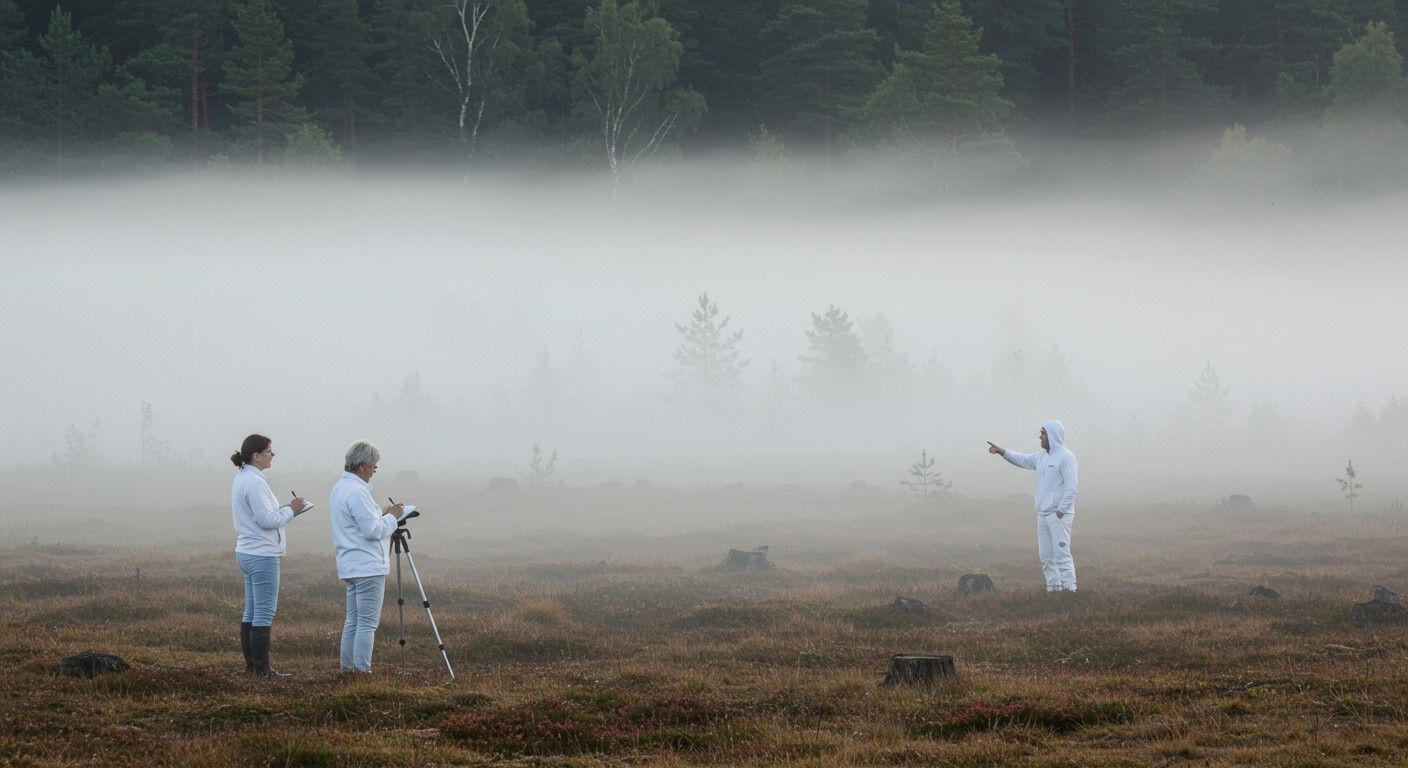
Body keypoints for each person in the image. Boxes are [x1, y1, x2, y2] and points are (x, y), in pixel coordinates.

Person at [231, 434, 308, 675]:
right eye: (269, 452)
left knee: (252, 611)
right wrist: (292, 510)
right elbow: (266, 520)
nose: (272, 455)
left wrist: (284, 510)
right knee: (264, 611)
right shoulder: (254, 482)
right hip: (262, 554)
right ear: (256, 456)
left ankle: (252, 667)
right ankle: (262, 670)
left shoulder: (243, 478)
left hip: (247, 551)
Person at [330, 440, 404, 673]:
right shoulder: (357, 491)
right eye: (374, 466)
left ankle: (347, 669)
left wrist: (381, 516)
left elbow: (362, 523)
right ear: (362, 466)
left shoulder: (340, 488)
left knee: (352, 621)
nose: (374, 471)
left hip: (351, 564)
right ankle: (362, 671)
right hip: (367, 567)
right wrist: (393, 517)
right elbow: (372, 530)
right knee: (367, 624)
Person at [988, 420, 1079, 592]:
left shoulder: (1067, 457)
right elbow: (1022, 459)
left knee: (1062, 553)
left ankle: (1070, 589)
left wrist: (1061, 510)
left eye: (1043, 433)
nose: (1040, 436)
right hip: (1043, 513)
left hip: (1059, 515)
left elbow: (1072, 488)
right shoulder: (1041, 457)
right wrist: (1003, 452)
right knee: (1045, 555)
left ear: (1052, 435)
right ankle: (1053, 587)